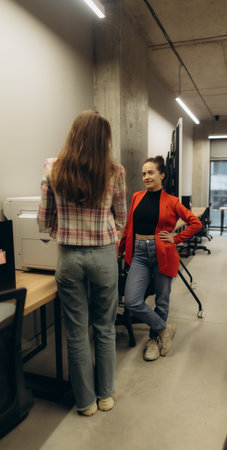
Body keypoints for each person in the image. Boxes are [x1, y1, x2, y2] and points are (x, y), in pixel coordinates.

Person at [38, 110, 127, 416]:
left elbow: (42, 221)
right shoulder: (115, 172)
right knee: (104, 328)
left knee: (76, 331)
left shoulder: (53, 169)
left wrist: (62, 233)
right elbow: (122, 218)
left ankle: (86, 402)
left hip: (68, 257)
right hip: (103, 255)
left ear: (73, 134)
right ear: (105, 139)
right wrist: (108, 238)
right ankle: (105, 396)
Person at [118, 156, 202, 361]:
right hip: (138, 254)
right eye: (144, 173)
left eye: (151, 172)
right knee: (132, 301)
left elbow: (195, 223)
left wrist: (176, 238)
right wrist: (121, 248)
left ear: (162, 174)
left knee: (162, 301)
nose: (146, 177)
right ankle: (165, 329)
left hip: (162, 253)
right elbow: (129, 226)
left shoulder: (172, 201)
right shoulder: (137, 197)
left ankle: (154, 340)